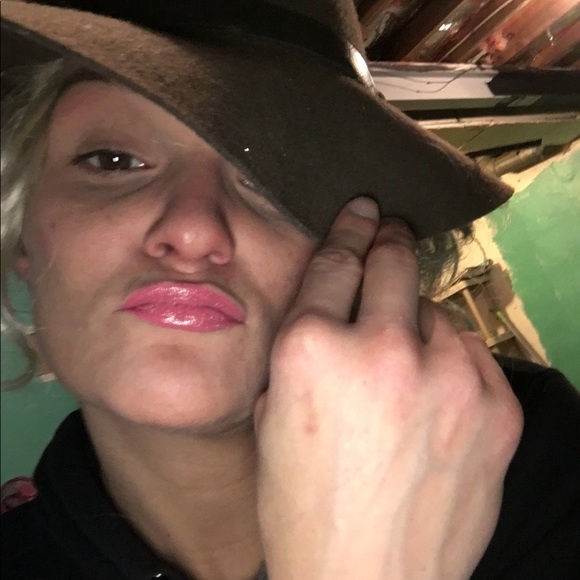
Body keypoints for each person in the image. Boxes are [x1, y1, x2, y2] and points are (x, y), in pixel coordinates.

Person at [1, 1, 578, 579]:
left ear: (368, 249)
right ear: (23, 233)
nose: (193, 230)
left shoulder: (546, 461)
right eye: (113, 160)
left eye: (276, 180)